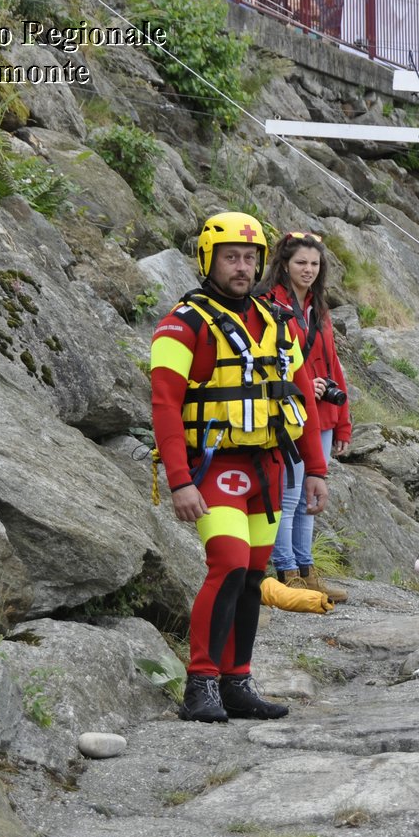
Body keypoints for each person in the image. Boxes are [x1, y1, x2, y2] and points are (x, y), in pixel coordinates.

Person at [150, 212, 329, 723]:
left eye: (250, 258)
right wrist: (179, 479)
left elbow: (301, 396)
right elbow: (165, 403)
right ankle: (200, 683)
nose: (242, 267)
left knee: (252, 576)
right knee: (227, 564)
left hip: (268, 468)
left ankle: (237, 682)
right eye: (231, 257)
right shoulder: (181, 323)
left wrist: (316, 470)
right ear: (209, 260)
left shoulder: (276, 321)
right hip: (212, 466)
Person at [262, 232, 351, 603]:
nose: (308, 270)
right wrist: (299, 385)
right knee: (290, 493)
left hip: (323, 415)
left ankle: (306, 569)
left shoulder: (320, 306)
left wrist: (343, 419)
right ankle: (286, 571)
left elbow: (334, 365)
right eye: (301, 263)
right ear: (284, 264)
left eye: (314, 264)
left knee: (308, 498)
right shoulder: (268, 304)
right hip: (289, 410)